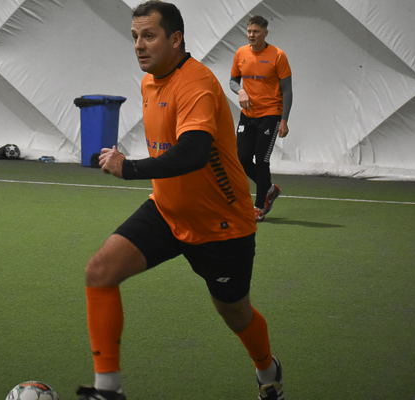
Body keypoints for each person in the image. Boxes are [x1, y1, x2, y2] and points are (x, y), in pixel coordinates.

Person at [76, 2, 284, 400]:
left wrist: (128, 167)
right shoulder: (149, 82)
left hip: (221, 226)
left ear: (176, 39)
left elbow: (192, 153)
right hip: (167, 211)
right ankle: (108, 390)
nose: (139, 45)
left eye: (149, 36)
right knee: (99, 272)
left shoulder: (196, 84)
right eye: (135, 37)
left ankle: (267, 370)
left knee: (235, 313)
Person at [229, 15, 292, 222]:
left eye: (256, 32)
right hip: (248, 115)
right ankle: (270, 190)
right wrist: (240, 91)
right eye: (249, 31)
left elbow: (287, 90)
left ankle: (259, 207)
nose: (251, 35)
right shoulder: (241, 53)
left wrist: (284, 120)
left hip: (271, 114)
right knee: (242, 159)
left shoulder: (278, 56)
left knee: (261, 159)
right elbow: (232, 81)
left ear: (265, 33)